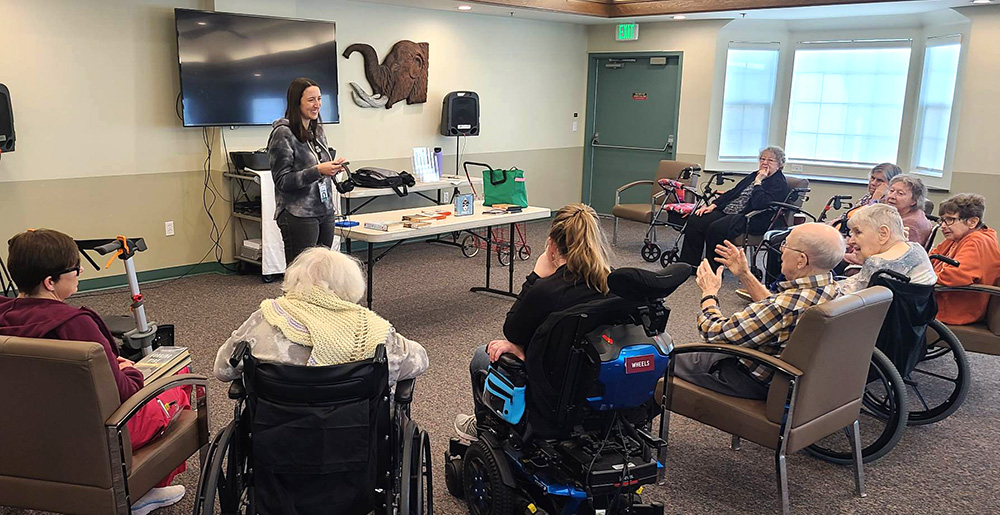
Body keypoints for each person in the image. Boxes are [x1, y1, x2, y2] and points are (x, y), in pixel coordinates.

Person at [0, 229, 189, 515]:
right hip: (97, 438)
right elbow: (124, 392)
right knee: (179, 379)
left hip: (22, 436)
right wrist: (132, 372)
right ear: (50, 282)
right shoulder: (76, 325)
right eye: (75, 268)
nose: (81, 270)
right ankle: (141, 492)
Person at [454, 203, 611, 439]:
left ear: (553, 245)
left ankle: (485, 427)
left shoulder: (547, 290)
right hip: (593, 378)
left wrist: (535, 277)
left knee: (481, 356)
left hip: (549, 386)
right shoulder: (610, 283)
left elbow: (513, 330)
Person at [214, 247, 428, 388]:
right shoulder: (372, 330)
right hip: (356, 438)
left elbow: (223, 370)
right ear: (350, 284)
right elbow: (419, 361)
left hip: (274, 439)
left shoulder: (263, 318)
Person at [673, 223, 845, 399]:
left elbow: (714, 332)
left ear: (801, 260)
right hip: (804, 382)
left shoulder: (784, 305)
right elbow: (775, 312)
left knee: (661, 359)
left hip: (754, 378)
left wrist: (709, 293)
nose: (782, 250)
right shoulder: (834, 290)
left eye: (786, 244)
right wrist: (744, 274)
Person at [269, 77, 348, 265]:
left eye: (319, 99)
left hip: (325, 210)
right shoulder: (283, 132)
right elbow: (282, 181)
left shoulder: (317, 130)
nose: (317, 105)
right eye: (311, 100)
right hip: (298, 213)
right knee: (301, 273)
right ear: (297, 102)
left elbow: (320, 167)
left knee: (323, 271)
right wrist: (318, 171)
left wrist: (332, 168)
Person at [680, 146, 790, 269]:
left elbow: (760, 204)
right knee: (696, 220)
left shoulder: (779, 183)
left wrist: (758, 182)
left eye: (770, 160)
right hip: (731, 211)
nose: (764, 162)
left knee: (716, 228)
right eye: (762, 159)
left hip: (752, 217)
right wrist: (713, 205)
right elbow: (733, 192)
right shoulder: (753, 175)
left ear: (780, 165)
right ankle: (688, 265)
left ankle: (713, 269)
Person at [930, 194, 1000, 325]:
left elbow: (956, 275)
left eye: (950, 220)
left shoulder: (977, 241)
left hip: (955, 309)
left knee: (894, 304)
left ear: (973, 222)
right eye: (942, 220)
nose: (943, 226)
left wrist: (922, 277)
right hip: (942, 299)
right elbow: (931, 258)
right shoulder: (957, 238)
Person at [838, 204, 937, 294]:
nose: (851, 241)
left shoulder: (877, 264)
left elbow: (843, 301)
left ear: (883, 233)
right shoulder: (918, 250)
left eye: (858, 232)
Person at [883, 174, 933, 248]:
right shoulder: (900, 214)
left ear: (914, 200)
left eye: (900, 193)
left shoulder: (912, 225)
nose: (892, 196)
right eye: (891, 191)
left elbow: (902, 254)